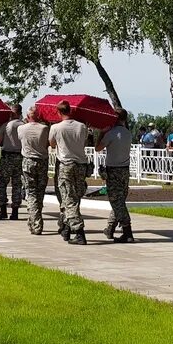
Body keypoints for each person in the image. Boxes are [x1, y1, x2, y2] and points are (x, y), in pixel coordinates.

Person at [49, 100, 91, 245]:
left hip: (65, 165)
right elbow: (84, 142)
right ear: (70, 111)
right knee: (76, 196)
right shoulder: (82, 126)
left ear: (59, 112)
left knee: (68, 199)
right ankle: (67, 228)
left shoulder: (56, 127)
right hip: (81, 165)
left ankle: (79, 233)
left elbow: (52, 144)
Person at [98, 108, 135, 243]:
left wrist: (101, 133)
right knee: (119, 200)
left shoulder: (111, 133)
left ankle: (127, 231)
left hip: (113, 170)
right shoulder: (128, 134)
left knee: (116, 201)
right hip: (125, 170)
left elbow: (98, 148)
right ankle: (110, 228)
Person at [19, 108, 51, 235]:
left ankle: (36, 223)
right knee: (39, 193)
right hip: (42, 161)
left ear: (27, 116)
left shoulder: (22, 128)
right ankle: (35, 220)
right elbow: (47, 143)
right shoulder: (44, 128)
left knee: (31, 193)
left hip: (28, 161)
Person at [0, 105, 24, 220]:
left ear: (13, 113)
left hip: (7, 156)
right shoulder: (24, 125)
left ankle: (3, 210)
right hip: (20, 156)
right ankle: (15, 211)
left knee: (1, 183)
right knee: (17, 184)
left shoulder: (6, 125)